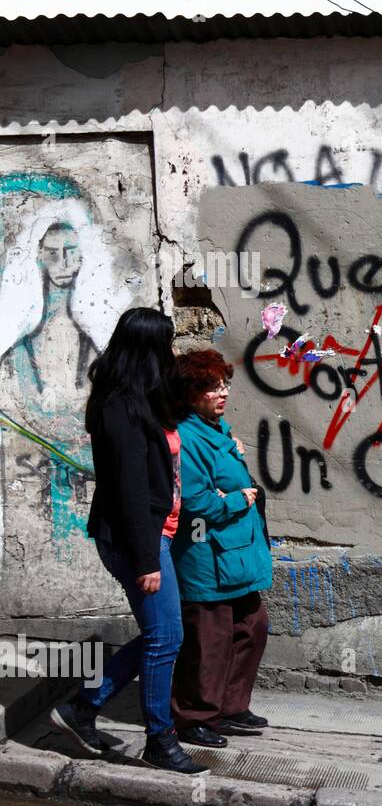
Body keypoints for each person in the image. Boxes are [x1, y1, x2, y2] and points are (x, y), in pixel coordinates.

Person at [49, 307, 206, 774]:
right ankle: (160, 740)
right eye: (167, 343)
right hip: (136, 538)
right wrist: (146, 560)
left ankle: (82, 708)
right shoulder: (119, 406)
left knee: (164, 635)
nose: (172, 351)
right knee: (166, 636)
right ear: (148, 349)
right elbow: (131, 491)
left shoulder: (145, 395)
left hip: (155, 534)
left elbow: (178, 417)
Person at [169, 349, 272, 747]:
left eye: (224, 384)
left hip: (236, 552)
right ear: (191, 393)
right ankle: (195, 717)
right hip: (206, 555)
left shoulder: (217, 427)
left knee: (253, 625)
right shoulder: (188, 437)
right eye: (212, 387)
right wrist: (236, 499)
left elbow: (221, 479)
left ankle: (231, 706)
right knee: (208, 641)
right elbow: (196, 501)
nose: (222, 392)